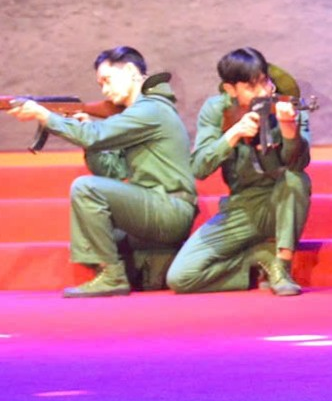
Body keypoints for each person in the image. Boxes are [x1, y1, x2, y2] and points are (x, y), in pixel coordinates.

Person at [3, 46, 197, 297]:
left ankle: (112, 277)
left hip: (170, 208)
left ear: (130, 71)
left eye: (107, 80)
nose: (105, 90)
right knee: (96, 229)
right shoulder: (139, 113)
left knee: (85, 188)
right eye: (100, 85)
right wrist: (87, 138)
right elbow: (111, 172)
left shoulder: (151, 109)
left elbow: (94, 137)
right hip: (157, 205)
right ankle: (116, 273)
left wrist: (45, 115)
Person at [169, 48, 311, 297]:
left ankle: (282, 266)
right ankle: (258, 259)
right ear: (230, 89)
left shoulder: (288, 105)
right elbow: (199, 167)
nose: (263, 92)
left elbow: (298, 165)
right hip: (240, 208)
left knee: (296, 180)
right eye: (251, 87)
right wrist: (233, 134)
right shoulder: (216, 109)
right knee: (181, 277)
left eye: (265, 82)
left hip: (278, 203)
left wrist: (289, 129)